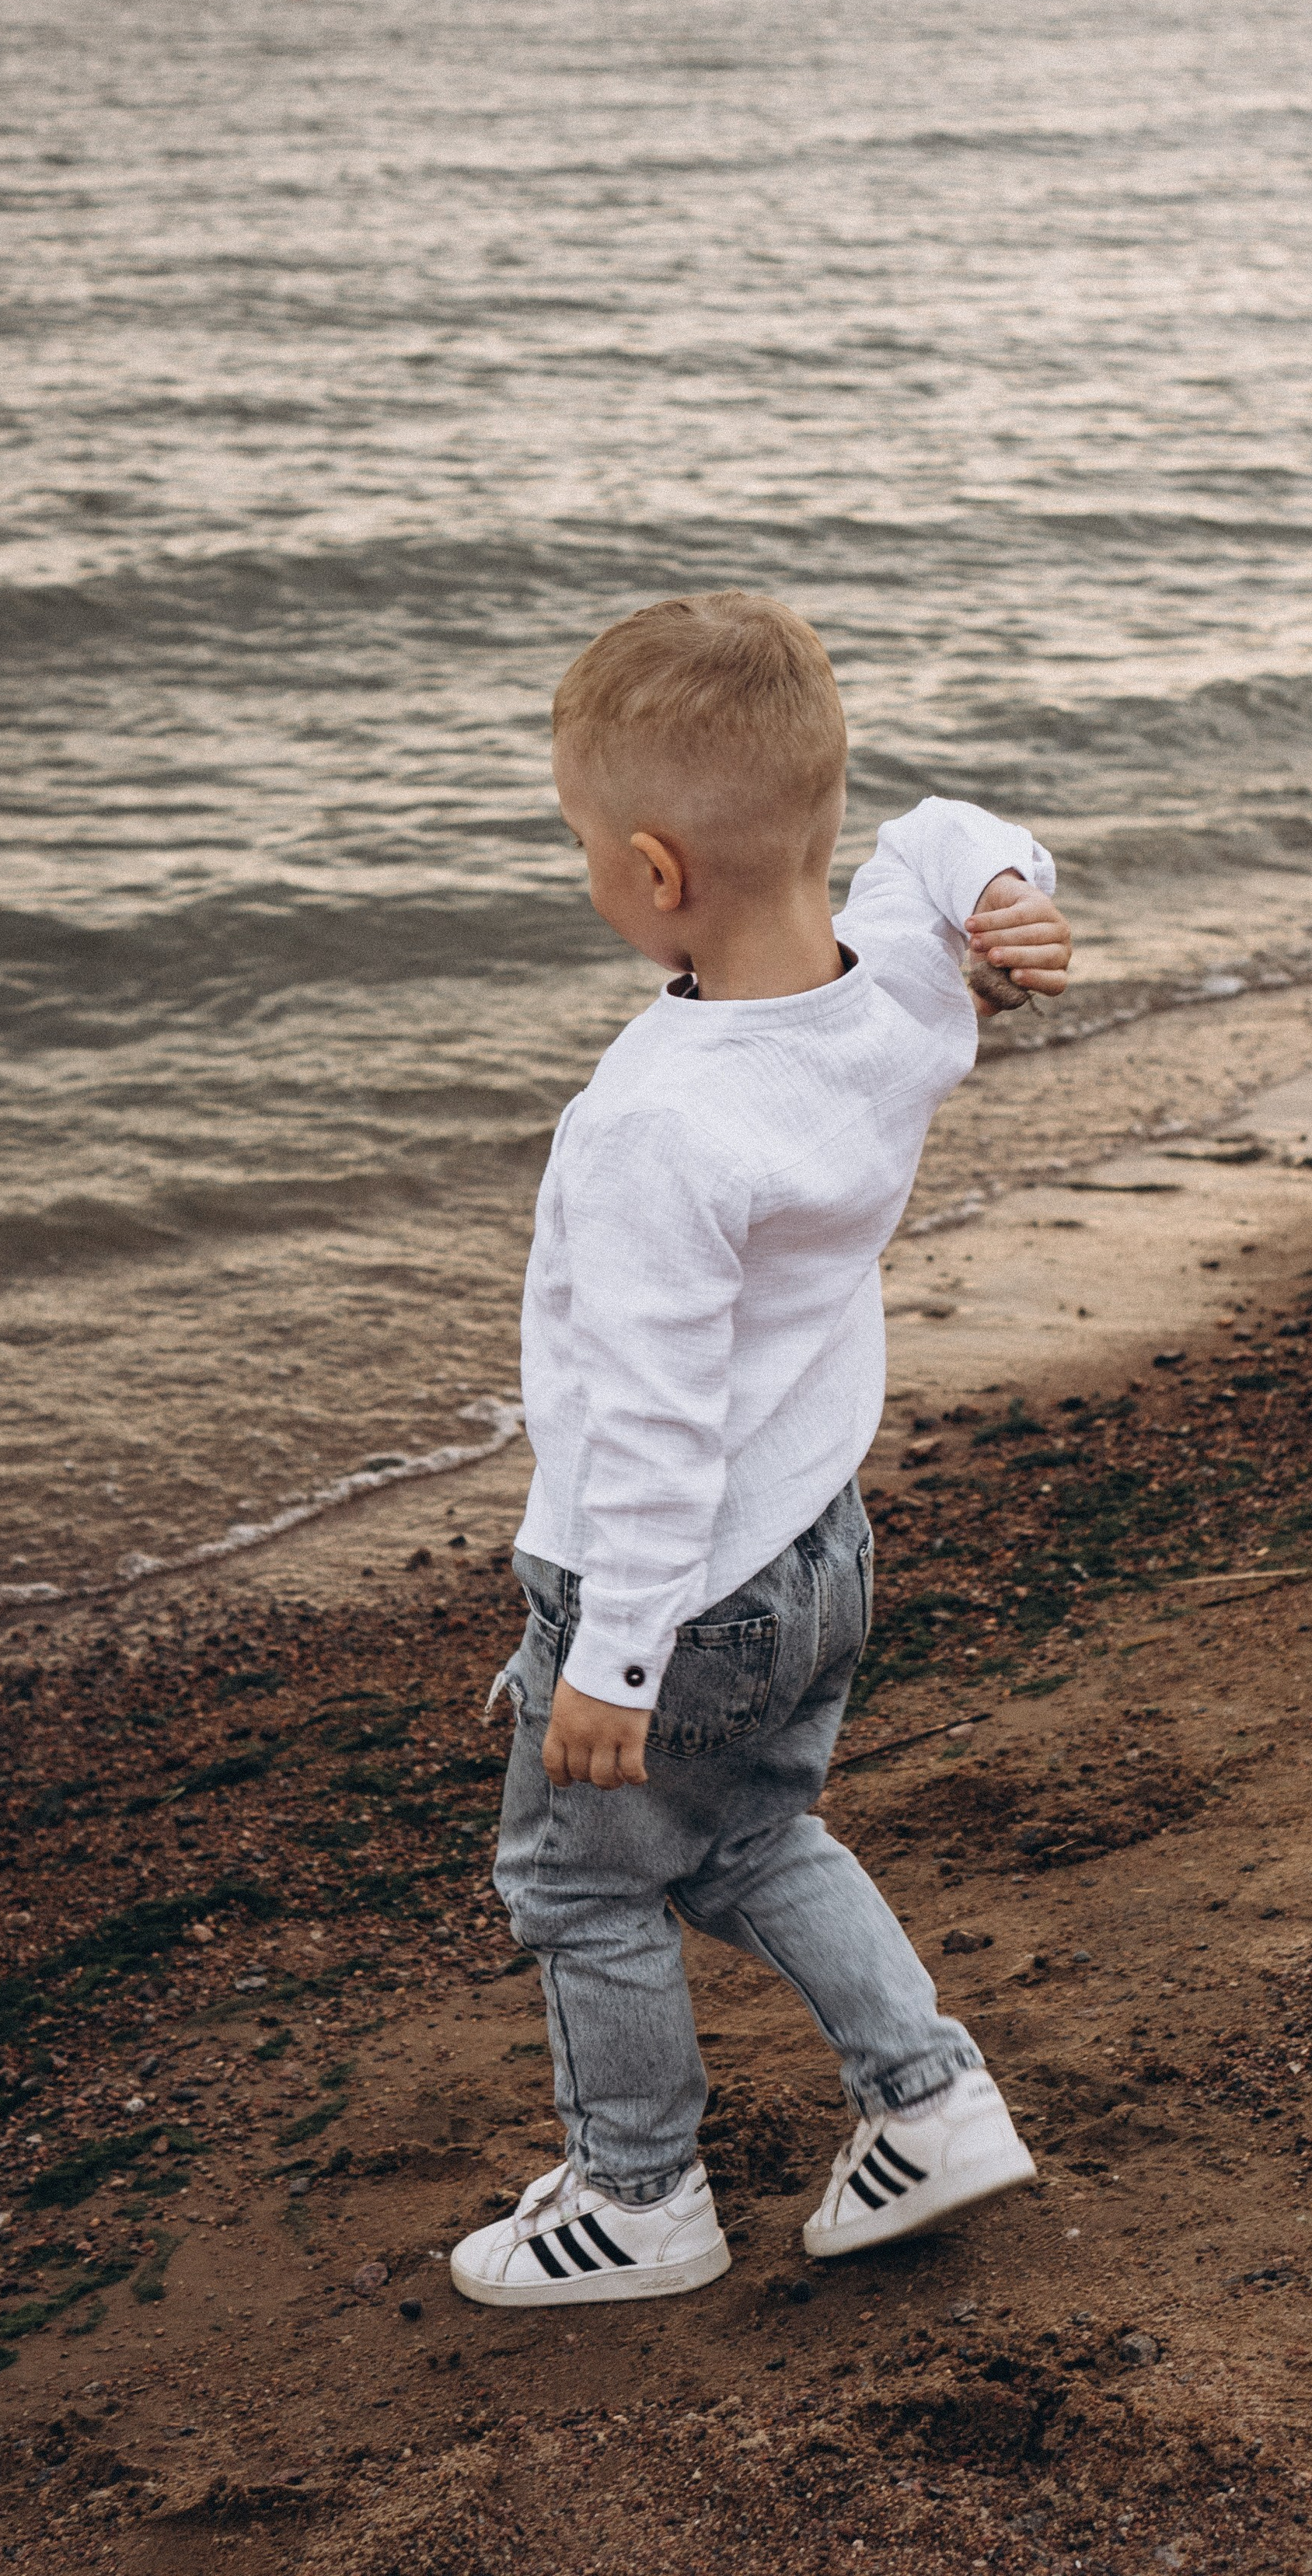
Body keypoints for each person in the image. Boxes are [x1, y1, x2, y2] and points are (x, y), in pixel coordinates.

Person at [451, 592, 1071, 2309]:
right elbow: (941, 837)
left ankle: (637, 2198)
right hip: (817, 1549)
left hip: (677, 1585)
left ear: (653, 872)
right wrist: (1006, 892)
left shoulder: (658, 1120)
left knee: (577, 1889)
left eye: (580, 842)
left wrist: (614, 1657)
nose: (582, 867)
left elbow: (652, 1423)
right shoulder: (899, 992)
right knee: (750, 1836)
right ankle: (928, 2100)